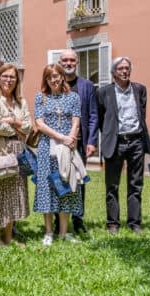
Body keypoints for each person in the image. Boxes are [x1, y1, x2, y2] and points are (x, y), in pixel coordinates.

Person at [96, 57, 150, 234]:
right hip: (116, 141)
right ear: (113, 73)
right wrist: (108, 135)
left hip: (136, 141)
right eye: (120, 69)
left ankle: (135, 223)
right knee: (112, 185)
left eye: (127, 68)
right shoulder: (104, 92)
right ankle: (113, 223)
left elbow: (141, 113)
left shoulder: (139, 89)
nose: (124, 71)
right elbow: (100, 118)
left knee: (136, 184)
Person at [34, 63, 84, 246]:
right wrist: (61, 137)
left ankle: (63, 232)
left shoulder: (73, 97)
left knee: (66, 187)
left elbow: (76, 120)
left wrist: (70, 138)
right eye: (49, 77)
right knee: (47, 188)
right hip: (47, 148)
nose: (53, 80)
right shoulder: (41, 97)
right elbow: (39, 123)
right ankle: (48, 232)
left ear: (62, 76)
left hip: (67, 148)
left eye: (55, 76)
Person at [0, 63, 32, 247]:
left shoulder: (22, 101)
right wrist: (16, 125)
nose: (8, 80)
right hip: (0, 151)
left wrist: (11, 120)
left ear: (17, 80)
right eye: (5, 76)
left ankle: (9, 236)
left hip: (18, 152)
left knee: (15, 193)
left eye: (12, 77)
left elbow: (29, 125)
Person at [57, 49, 98, 235]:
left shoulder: (87, 86)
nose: (68, 63)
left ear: (77, 62)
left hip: (80, 143)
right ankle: (60, 220)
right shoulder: (54, 83)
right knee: (60, 181)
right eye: (64, 60)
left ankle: (78, 219)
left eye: (71, 60)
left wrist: (91, 141)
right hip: (58, 143)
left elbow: (93, 115)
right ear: (60, 62)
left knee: (79, 182)